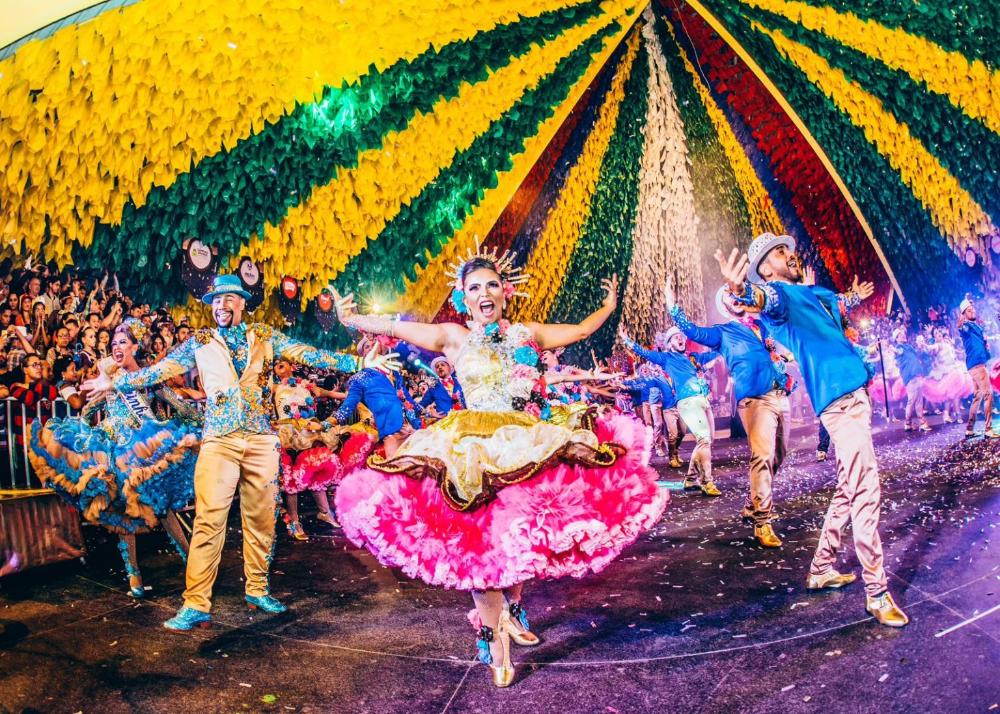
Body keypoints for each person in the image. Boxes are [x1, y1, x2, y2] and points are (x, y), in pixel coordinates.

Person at [332, 249, 667, 688]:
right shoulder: (453, 336)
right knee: (481, 544)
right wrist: (351, 319)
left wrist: (608, 305)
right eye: (474, 288)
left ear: (505, 293)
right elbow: (394, 326)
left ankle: (512, 607)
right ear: (463, 297)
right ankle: (493, 638)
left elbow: (582, 329)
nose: (484, 293)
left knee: (518, 535)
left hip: (526, 440)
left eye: (491, 285)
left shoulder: (526, 334)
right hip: (471, 446)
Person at [83, 274, 397, 631]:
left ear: (243, 304)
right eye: (216, 300)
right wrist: (117, 381)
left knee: (262, 517)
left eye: (228, 298)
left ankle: (258, 588)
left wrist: (357, 365)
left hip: (261, 439)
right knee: (209, 520)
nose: (220, 305)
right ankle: (196, 604)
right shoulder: (199, 342)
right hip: (219, 439)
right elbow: (159, 371)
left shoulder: (262, 335)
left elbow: (306, 352)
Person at [717, 233, 908, 627]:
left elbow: (833, 302)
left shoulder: (808, 294)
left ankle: (821, 568)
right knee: (866, 488)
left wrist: (853, 297)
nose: (790, 254)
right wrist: (737, 292)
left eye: (788, 249)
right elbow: (758, 300)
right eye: (779, 252)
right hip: (840, 402)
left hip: (852, 396)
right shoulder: (780, 298)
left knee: (847, 489)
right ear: (766, 268)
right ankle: (877, 592)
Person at [30, 319, 200, 597]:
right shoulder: (109, 377)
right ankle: (134, 575)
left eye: (123, 342)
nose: (117, 347)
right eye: (113, 344)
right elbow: (89, 407)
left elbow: (176, 402)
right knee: (124, 511)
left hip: (144, 450)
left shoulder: (147, 378)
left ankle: (193, 565)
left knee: (163, 508)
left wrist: (199, 420)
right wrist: (86, 429)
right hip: (116, 450)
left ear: (135, 346)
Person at [667, 280, 792, 547]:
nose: (734, 298)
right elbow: (692, 331)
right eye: (728, 296)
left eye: (737, 294)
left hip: (780, 394)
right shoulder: (722, 332)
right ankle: (762, 522)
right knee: (762, 456)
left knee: (778, 456)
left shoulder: (763, 324)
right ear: (724, 306)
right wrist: (671, 305)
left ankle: (752, 504)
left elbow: (786, 326)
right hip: (755, 400)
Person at [273, 357, 375, 540]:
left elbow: (338, 396)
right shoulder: (274, 388)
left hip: (310, 432)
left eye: (282, 362)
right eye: (274, 365)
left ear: (292, 365)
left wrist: (361, 394)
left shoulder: (309, 387)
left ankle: (325, 512)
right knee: (292, 479)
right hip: (288, 434)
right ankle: (294, 520)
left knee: (315, 469)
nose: (277, 366)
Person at [619, 325, 721, 496]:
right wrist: (625, 338)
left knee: (707, 441)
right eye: (675, 337)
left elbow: (715, 354)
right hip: (687, 402)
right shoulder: (667, 358)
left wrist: (722, 343)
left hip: (703, 400)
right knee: (703, 439)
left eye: (681, 336)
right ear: (669, 343)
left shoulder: (693, 358)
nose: (680, 338)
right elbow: (645, 353)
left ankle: (690, 479)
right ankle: (706, 481)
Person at [957, 297, 998, 438]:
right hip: (977, 365)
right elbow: (962, 328)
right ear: (964, 313)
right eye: (969, 310)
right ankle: (988, 429)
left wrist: (986, 346)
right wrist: (961, 321)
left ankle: (969, 429)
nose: (973, 311)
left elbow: (984, 344)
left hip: (977, 364)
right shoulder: (966, 326)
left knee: (978, 396)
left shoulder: (977, 327)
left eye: (973, 309)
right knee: (988, 394)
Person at [892, 328, 931, 432]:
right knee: (912, 400)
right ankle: (911, 422)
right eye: (900, 335)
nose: (904, 335)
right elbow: (898, 352)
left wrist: (921, 346)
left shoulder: (908, 347)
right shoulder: (899, 347)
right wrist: (894, 350)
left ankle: (914, 423)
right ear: (896, 338)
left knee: (918, 401)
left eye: (903, 333)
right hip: (910, 377)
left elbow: (917, 354)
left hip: (917, 375)